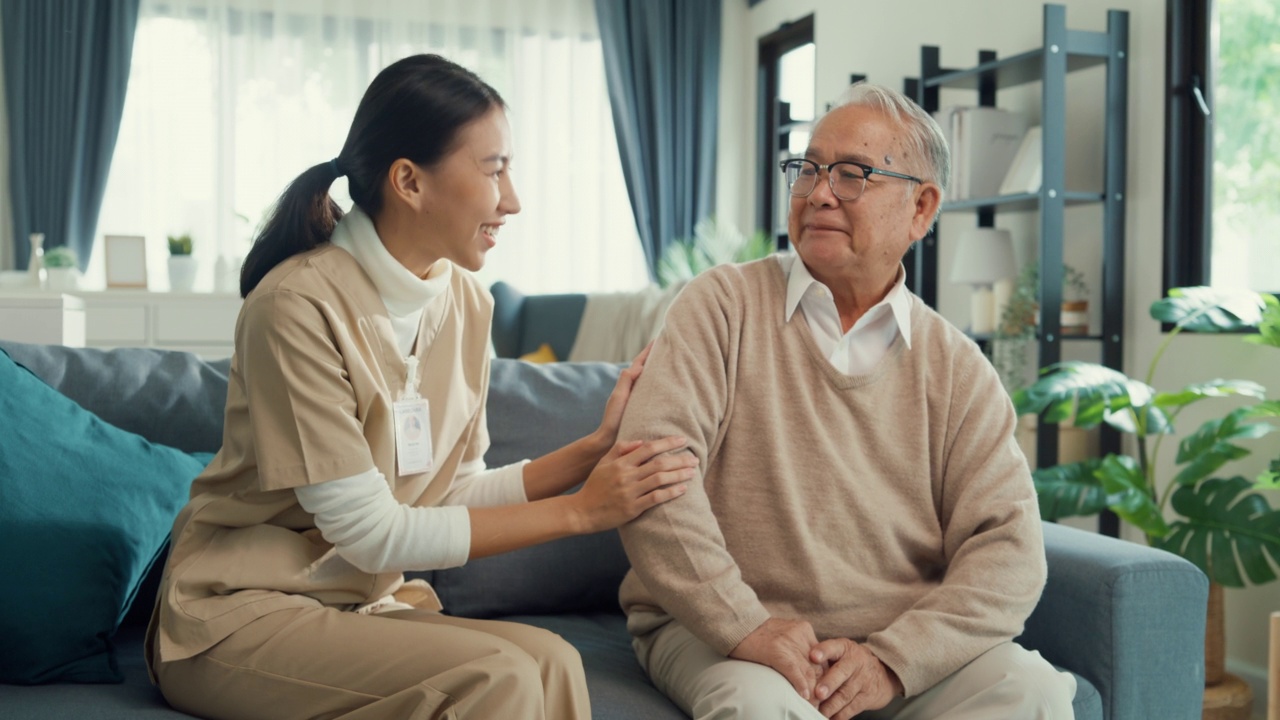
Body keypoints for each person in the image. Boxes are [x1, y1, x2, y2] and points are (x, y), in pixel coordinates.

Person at [144, 54, 696, 720]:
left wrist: (589, 455)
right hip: (240, 612)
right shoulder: (294, 306)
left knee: (551, 661)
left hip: (356, 605)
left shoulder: (466, 303)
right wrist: (583, 512)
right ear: (409, 180)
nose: (512, 200)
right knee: (499, 678)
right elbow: (370, 534)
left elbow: (451, 489)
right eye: (494, 170)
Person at [615, 82, 1078, 720]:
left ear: (921, 208)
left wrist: (893, 661)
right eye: (806, 170)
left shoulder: (957, 367)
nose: (820, 192)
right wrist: (746, 626)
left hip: (892, 651)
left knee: (1036, 692)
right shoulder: (718, 306)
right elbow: (651, 484)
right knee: (758, 708)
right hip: (719, 633)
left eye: (853, 175)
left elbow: (1009, 551)